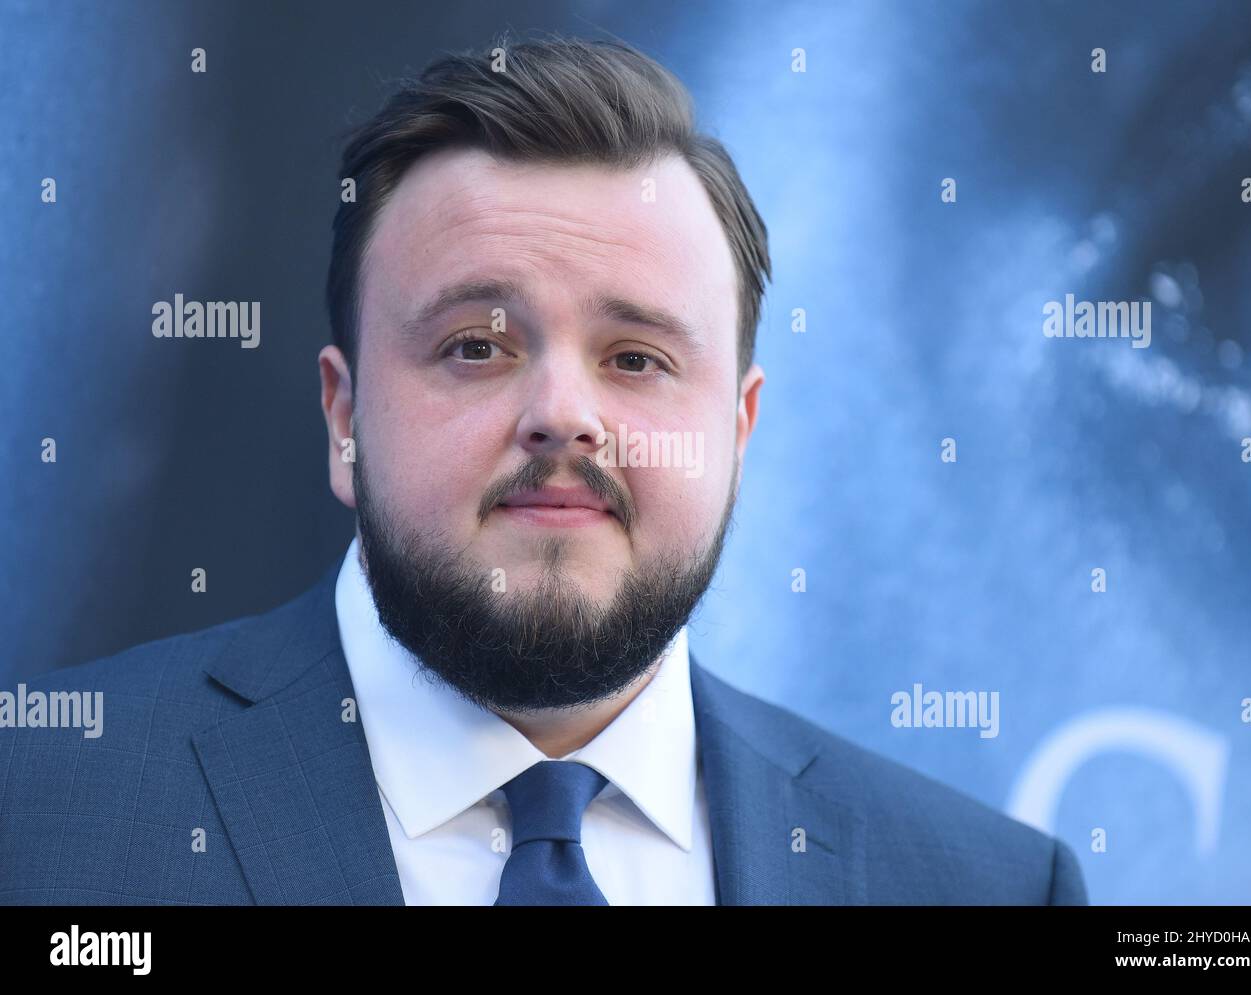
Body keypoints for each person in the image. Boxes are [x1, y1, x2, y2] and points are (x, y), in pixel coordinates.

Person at [0, 35, 1086, 906]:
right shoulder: (37, 813)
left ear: (740, 433)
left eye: (637, 358)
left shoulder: (982, 886)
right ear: (344, 417)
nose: (563, 414)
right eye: (475, 345)